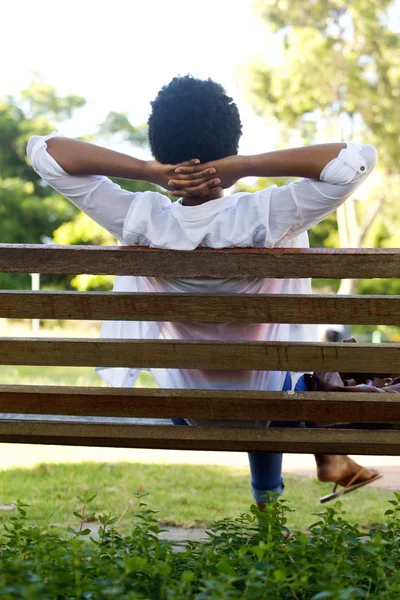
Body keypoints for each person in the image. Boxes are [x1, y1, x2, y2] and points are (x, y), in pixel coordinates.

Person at [27, 75, 380, 508]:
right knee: (276, 372)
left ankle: (320, 468)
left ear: (159, 148)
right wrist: (244, 165)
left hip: (185, 409)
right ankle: (287, 494)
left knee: (264, 375)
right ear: (230, 146)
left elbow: (43, 150)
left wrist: (146, 173)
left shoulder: (139, 217)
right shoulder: (268, 214)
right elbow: (359, 157)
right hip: (271, 406)